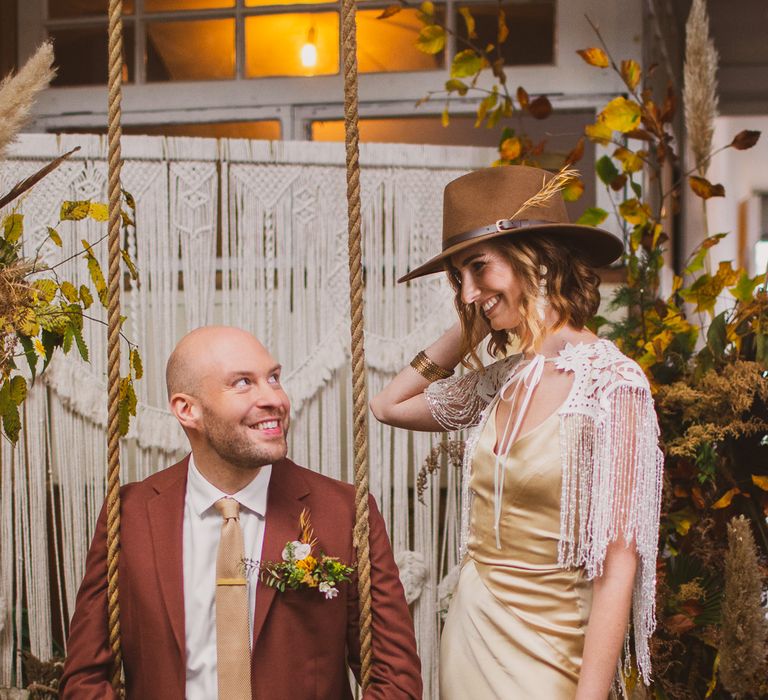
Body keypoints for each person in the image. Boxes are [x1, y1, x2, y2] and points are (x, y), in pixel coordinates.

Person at [370, 165, 663, 699]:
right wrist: (473, 321)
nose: (467, 289)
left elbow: (619, 565)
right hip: (471, 633)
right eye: (458, 277)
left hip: (554, 654)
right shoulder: (502, 381)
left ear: (538, 257)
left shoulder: (614, 385)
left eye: (479, 268)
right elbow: (389, 404)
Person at [60, 326, 422, 699]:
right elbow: (84, 678)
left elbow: (395, 680)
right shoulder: (128, 514)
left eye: (274, 378)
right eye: (243, 383)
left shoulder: (344, 511)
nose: (275, 399)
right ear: (188, 410)